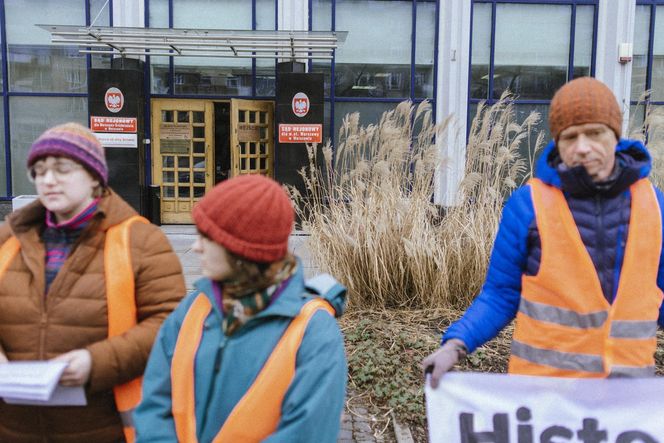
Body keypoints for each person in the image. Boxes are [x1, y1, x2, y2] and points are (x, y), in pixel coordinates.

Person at [423, 77, 664, 387]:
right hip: (543, 399)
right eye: (570, 137)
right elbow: (500, 294)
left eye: (595, 133)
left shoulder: (655, 205)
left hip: (624, 404)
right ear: (558, 143)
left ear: (615, 136)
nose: (582, 147)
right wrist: (455, 345)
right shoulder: (529, 205)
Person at [0, 122, 185, 442]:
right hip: (15, 428)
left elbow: (170, 324)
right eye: (39, 171)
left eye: (62, 169)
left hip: (103, 427)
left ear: (94, 177)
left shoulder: (141, 240)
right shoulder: (7, 239)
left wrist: (94, 362)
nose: (48, 180)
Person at [134, 174, 348, 443]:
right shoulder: (193, 308)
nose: (195, 246)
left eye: (206, 237)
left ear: (241, 251)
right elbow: (154, 404)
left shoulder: (314, 331)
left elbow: (306, 433)